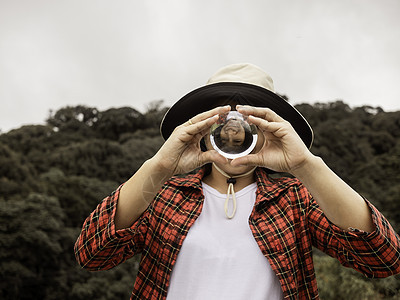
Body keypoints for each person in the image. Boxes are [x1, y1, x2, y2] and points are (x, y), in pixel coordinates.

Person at [74, 63, 400, 299]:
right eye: (221, 121)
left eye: (247, 121)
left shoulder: (295, 197)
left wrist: (305, 165)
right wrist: (160, 166)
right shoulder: (163, 194)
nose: (233, 131)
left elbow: (382, 258)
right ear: (203, 127)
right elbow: (93, 253)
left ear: (266, 128)